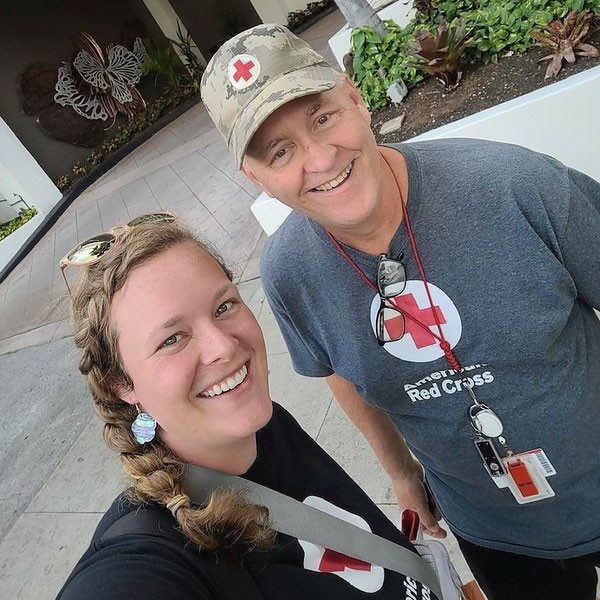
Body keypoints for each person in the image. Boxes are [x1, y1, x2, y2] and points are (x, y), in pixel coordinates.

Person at [200, 23, 600, 600]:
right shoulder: (289, 274)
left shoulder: (518, 185)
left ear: (355, 97)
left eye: (322, 117)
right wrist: (401, 473)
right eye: (278, 151)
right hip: (491, 530)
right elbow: (337, 369)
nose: (319, 159)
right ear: (254, 177)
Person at [56, 217, 438, 600]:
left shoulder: (267, 426)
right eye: (172, 339)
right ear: (120, 383)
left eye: (223, 306)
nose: (222, 346)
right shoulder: (150, 559)